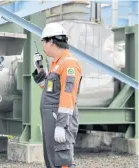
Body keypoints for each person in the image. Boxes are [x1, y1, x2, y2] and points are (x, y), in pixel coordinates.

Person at [32, 22, 82, 168]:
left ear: (51, 41)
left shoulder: (69, 64)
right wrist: (40, 69)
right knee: (52, 161)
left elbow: (68, 95)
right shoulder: (56, 64)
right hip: (51, 120)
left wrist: (61, 125)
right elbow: (49, 91)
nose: (43, 46)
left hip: (60, 120)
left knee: (62, 160)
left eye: (43, 42)